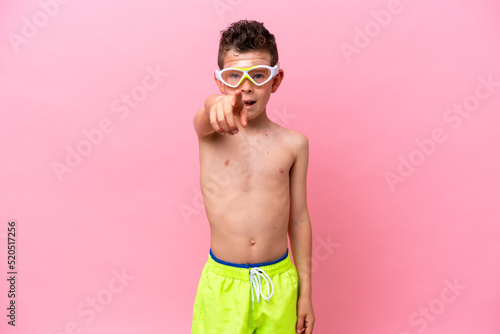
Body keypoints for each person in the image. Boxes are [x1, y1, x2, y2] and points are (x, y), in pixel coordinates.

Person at [191, 19, 315, 334]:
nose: (245, 87)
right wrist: (214, 105)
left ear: (275, 80)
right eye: (234, 76)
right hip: (223, 287)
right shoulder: (212, 133)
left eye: (257, 76)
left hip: (278, 285)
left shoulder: (294, 144)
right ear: (220, 82)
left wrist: (305, 293)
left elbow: (299, 219)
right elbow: (206, 116)